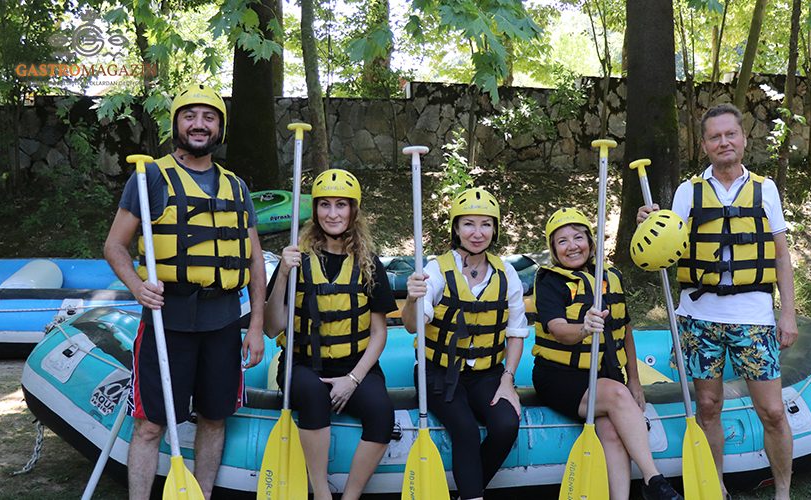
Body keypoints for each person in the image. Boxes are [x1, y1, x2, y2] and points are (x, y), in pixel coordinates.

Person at [103, 84, 266, 500]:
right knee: (150, 425)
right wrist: (138, 287)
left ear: (219, 128)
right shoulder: (149, 177)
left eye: (209, 117)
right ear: (176, 124)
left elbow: (254, 262)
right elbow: (115, 245)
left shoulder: (236, 187)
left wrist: (256, 325)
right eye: (189, 116)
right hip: (167, 320)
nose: (199, 124)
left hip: (223, 322)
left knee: (214, 418)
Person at [638, 103, 798, 500]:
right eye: (715, 136)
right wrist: (650, 224)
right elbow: (666, 245)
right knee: (708, 406)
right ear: (704, 145)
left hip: (754, 318)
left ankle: (782, 492)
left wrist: (788, 314)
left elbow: (781, 257)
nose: (724, 142)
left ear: (743, 138)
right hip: (699, 318)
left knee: (773, 412)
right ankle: (716, 489)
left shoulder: (766, 189)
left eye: (730, 134)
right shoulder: (687, 192)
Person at [531, 208, 682, 500]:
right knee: (616, 394)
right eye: (562, 241)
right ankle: (654, 480)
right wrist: (584, 328)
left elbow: (625, 331)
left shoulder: (611, 276)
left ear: (590, 241)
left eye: (578, 237)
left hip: (605, 375)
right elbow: (558, 330)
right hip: (560, 377)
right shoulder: (549, 281)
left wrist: (635, 381)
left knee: (612, 431)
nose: (572, 246)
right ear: (553, 249)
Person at [264, 168, 396, 500]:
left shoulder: (369, 264)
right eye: (325, 205)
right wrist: (282, 274)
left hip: (354, 365)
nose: (332, 213)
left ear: (353, 211)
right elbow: (272, 327)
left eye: (341, 205)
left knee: (382, 413)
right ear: (315, 210)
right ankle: (321, 493)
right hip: (302, 364)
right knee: (313, 394)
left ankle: (350, 496)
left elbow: (379, 333)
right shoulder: (296, 260)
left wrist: (353, 379)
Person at [402, 187, 526, 500]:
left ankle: (467, 492)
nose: (477, 233)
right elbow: (413, 324)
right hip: (438, 372)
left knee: (506, 424)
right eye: (469, 224)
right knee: (466, 430)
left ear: (495, 230)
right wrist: (413, 299)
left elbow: (516, 332)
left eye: (486, 224)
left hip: (487, 373)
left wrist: (508, 380)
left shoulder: (506, 273)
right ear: (456, 229)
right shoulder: (435, 270)